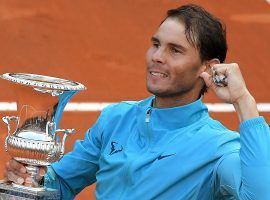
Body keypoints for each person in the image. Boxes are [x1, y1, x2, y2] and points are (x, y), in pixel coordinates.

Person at [3, 4, 270, 200]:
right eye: (156, 44)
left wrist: (243, 100)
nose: (157, 56)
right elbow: (60, 183)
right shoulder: (116, 118)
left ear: (208, 68)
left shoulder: (219, 148)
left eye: (175, 50)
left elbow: (260, 195)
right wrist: (30, 178)